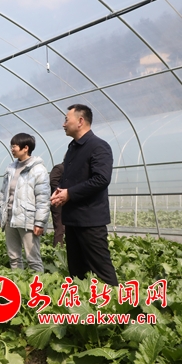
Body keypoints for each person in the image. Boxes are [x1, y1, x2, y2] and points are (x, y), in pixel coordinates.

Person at [50, 104, 118, 286]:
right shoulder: (73, 148)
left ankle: (116, 301)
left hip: (90, 220)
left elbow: (101, 179)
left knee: (101, 269)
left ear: (80, 121)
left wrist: (70, 193)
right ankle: (82, 301)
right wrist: (60, 190)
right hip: (72, 219)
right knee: (76, 270)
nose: (63, 124)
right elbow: (71, 178)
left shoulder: (98, 146)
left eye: (67, 120)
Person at [0, 133, 50, 272]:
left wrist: (39, 222)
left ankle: (38, 284)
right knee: (14, 257)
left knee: (33, 259)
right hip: (10, 217)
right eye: (11, 146)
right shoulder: (10, 168)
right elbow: (3, 193)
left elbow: (43, 198)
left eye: (14, 146)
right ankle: (18, 282)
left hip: (28, 219)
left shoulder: (38, 170)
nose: (12, 149)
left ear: (26, 148)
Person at [49, 163, 65, 246]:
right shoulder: (59, 168)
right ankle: (58, 248)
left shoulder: (70, 169)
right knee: (59, 228)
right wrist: (62, 192)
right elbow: (52, 181)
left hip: (66, 203)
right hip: (57, 203)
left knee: (65, 228)